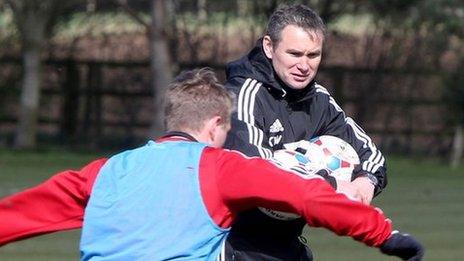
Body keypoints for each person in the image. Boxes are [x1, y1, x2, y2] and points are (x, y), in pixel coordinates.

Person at [1, 68, 423, 261]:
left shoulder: (105, 170)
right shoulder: (222, 167)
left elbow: (23, 214)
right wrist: (384, 235)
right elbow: (309, 196)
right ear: (216, 124)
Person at [221, 4, 387, 260]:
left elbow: (372, 157)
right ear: (269, 46)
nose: (304, 65)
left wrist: (366, 182)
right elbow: (256, 174)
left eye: (313, 55)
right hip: (237, 246)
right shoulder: (244, 95)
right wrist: (332, 185)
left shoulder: (318, 99)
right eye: (294, 53)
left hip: (288, 245)